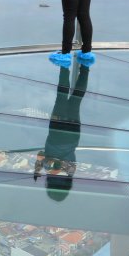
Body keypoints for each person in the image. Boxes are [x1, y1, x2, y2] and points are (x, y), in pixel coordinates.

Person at [34, 62, 90, 201]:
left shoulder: (67, 171)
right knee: (62, 96)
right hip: (57, 133)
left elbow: (44, 156)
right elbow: (52, 160)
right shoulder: (60, 170)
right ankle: (65, 66)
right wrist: (43, 164)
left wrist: (39, 167)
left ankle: (84, 67)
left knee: (75, 99)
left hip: (70, 135)